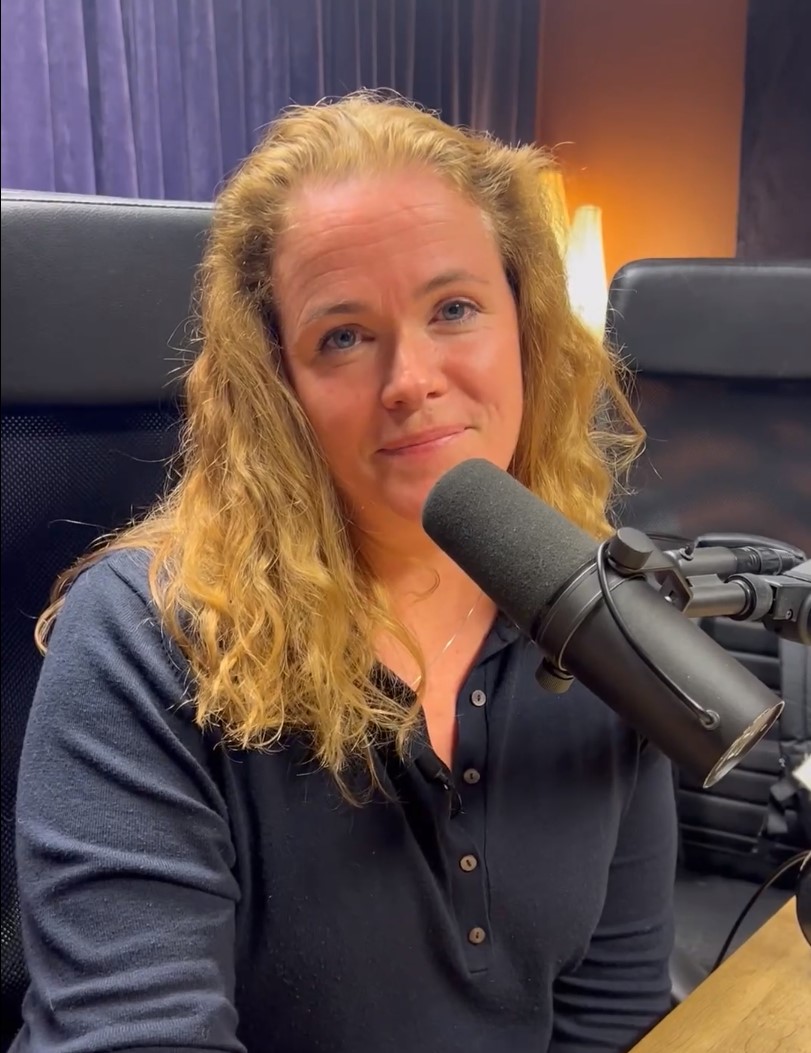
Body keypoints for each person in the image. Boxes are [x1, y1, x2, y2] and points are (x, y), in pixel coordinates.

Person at [13, 92, 677, 1053]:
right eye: (343, 336)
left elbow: (614, 1018)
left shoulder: (598, 615)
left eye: (454, 309)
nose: (411, 378)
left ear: (526, 328)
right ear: (277, 386)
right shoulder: (146, 637)